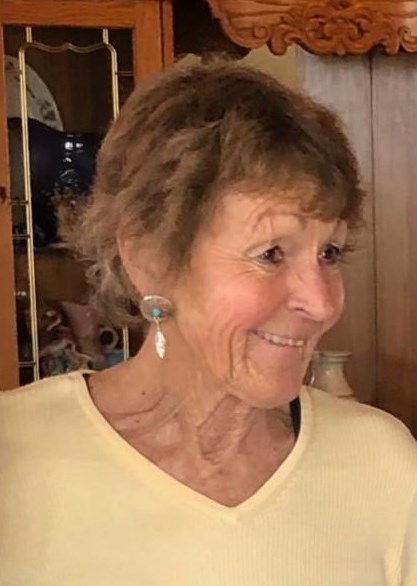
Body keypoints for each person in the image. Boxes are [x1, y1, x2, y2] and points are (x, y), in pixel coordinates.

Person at [1, 62, 416, 585]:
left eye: (329, 252)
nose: (321, 303)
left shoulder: (382, 467)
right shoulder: (15, 456)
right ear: (149, 258)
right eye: (270, 253)